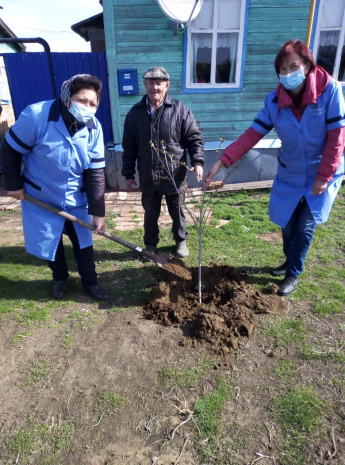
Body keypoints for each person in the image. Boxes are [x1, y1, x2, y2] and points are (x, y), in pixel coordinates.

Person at [204, 39, 345, 296]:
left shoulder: (330, 91)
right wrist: (223, 161)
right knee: (287, 223)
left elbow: (337, 138)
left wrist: (324, 175)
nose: (289, 73)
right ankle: (288, 260)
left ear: (307, 65)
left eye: (294, 66)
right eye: (283, 69)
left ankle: (294, 272)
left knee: (303, 227)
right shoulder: (274, 101)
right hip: (290, 172)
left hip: (322, 171)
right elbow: (251, 135)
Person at [0, 74, 109, 301]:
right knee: (50, 239)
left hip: (75, 198)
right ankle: (60, 278)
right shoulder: (37, 116)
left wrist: (97, 212)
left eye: (93, 104)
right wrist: (13, 184)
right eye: (82, 100)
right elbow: (10, 149)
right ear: (68, 97)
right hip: (40, 195)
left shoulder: (93, 128)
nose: (87, 107)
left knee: (83, 242)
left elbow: (95, 173)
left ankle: (90, 282)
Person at [121, 66, 204, 258]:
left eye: (159, 83)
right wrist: (128, 174)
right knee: (150, 213)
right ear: (145, 85)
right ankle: (150, 244)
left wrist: (198, 162)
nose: (155, 87)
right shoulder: (135, 114)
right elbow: (129, 147)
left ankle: (181, 240)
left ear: (167, 85)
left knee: (178, 211)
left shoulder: (180, 109)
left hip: (174, 174)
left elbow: (194, 138)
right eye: (151, 82)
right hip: (148, 174)